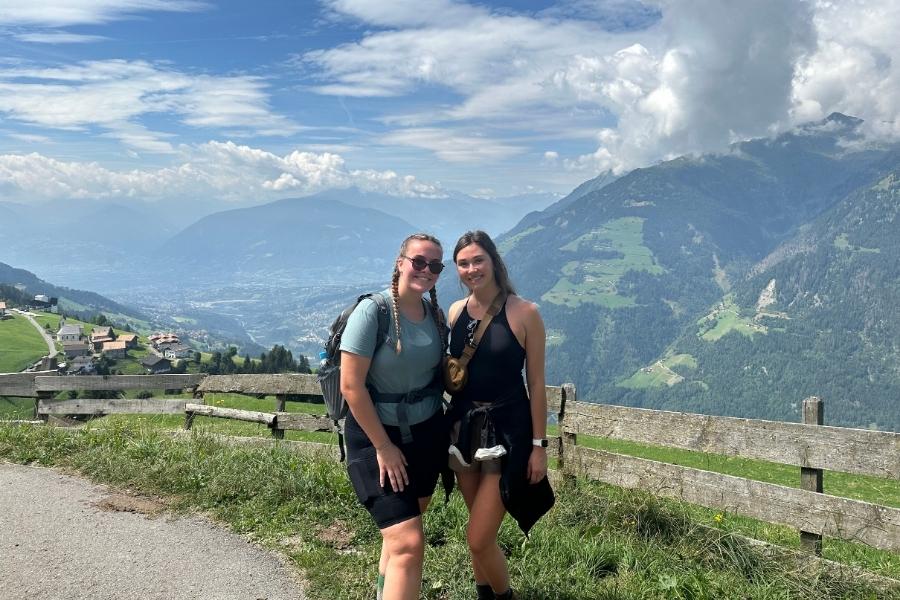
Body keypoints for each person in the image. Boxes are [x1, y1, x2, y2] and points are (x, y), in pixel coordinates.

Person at [339, 233, 448, 600]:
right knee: (408, 543)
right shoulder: (374, 311)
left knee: (400, 536)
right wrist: (383, 447)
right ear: (400, 262)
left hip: (426, 434)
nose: (427, 270)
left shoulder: (434, 315)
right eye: (419, 261)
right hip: (376, 436)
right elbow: (351, 386)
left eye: (435, 265)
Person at [447, 230, 554, 600]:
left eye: (478, 260)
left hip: (508, 433)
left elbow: (537, 384)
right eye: (463, 263)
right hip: (463, 430)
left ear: (494, 261)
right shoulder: (456, 312)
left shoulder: (525, 313)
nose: (472, 269)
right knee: (481, 535)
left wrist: (539, 446)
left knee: (477, 538)